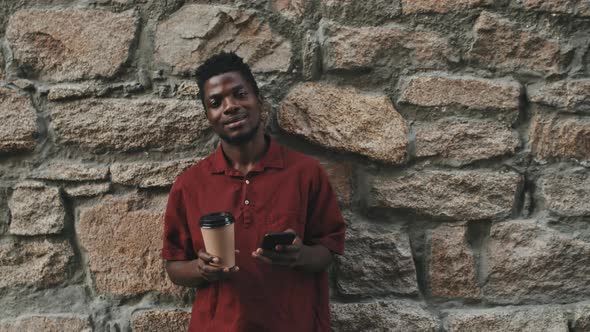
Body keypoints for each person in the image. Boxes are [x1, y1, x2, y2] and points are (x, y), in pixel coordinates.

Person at [162, 51, 346, 332]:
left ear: (259, 101)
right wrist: (201, 270)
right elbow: (174, 266)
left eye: (239, 94)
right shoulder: (189, 185)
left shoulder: (306, 173)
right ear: (208, 116)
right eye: (215, 102)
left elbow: (329, 249)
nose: (230, 106)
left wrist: (301, 256)